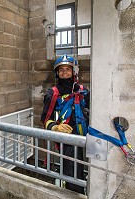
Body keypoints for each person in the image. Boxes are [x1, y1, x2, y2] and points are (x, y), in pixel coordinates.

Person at [41, 54, 90, 194]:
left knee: (84, 169)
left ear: (74, 72)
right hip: (67, 139)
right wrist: (55, 127)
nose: (64, 72)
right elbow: (45, 119)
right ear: (57, 73)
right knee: (71, 172)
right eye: (61, 70)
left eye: (67, 69)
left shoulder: (83, 91)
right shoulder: (52, 93)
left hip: (85, 136)